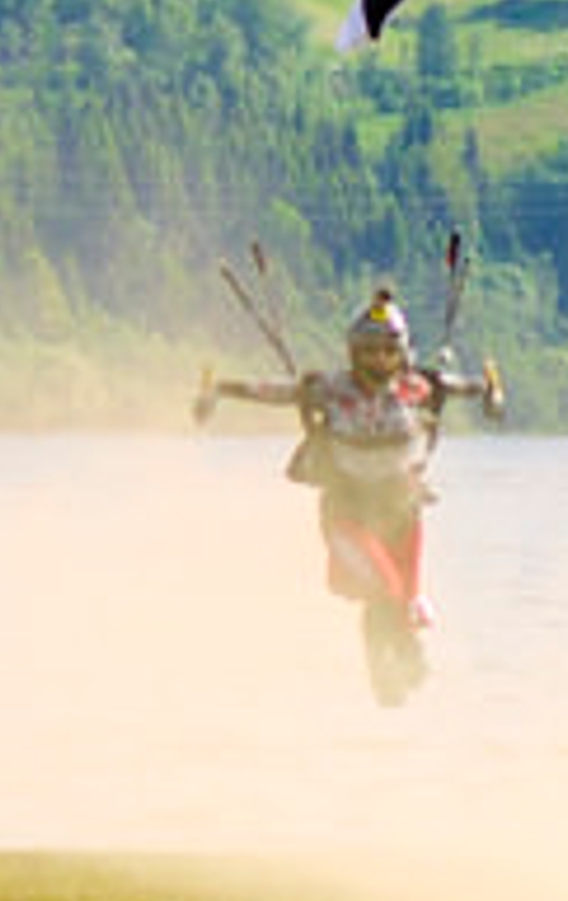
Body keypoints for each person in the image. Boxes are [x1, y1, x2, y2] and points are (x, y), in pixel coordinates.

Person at [201, 279, 504, 705]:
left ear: (401, 353)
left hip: (403, 511)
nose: (377, 360)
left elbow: (478, 389)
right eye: (368, 350)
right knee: (383, 586)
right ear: (352, 351)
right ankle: (385, 667)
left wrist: (493, 394)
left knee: (404, 598)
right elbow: (274, 392)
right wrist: (220, 390)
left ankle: (400, 659)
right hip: (349, 513)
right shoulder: (332, 389)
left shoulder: (420, 387)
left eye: (387, 350)